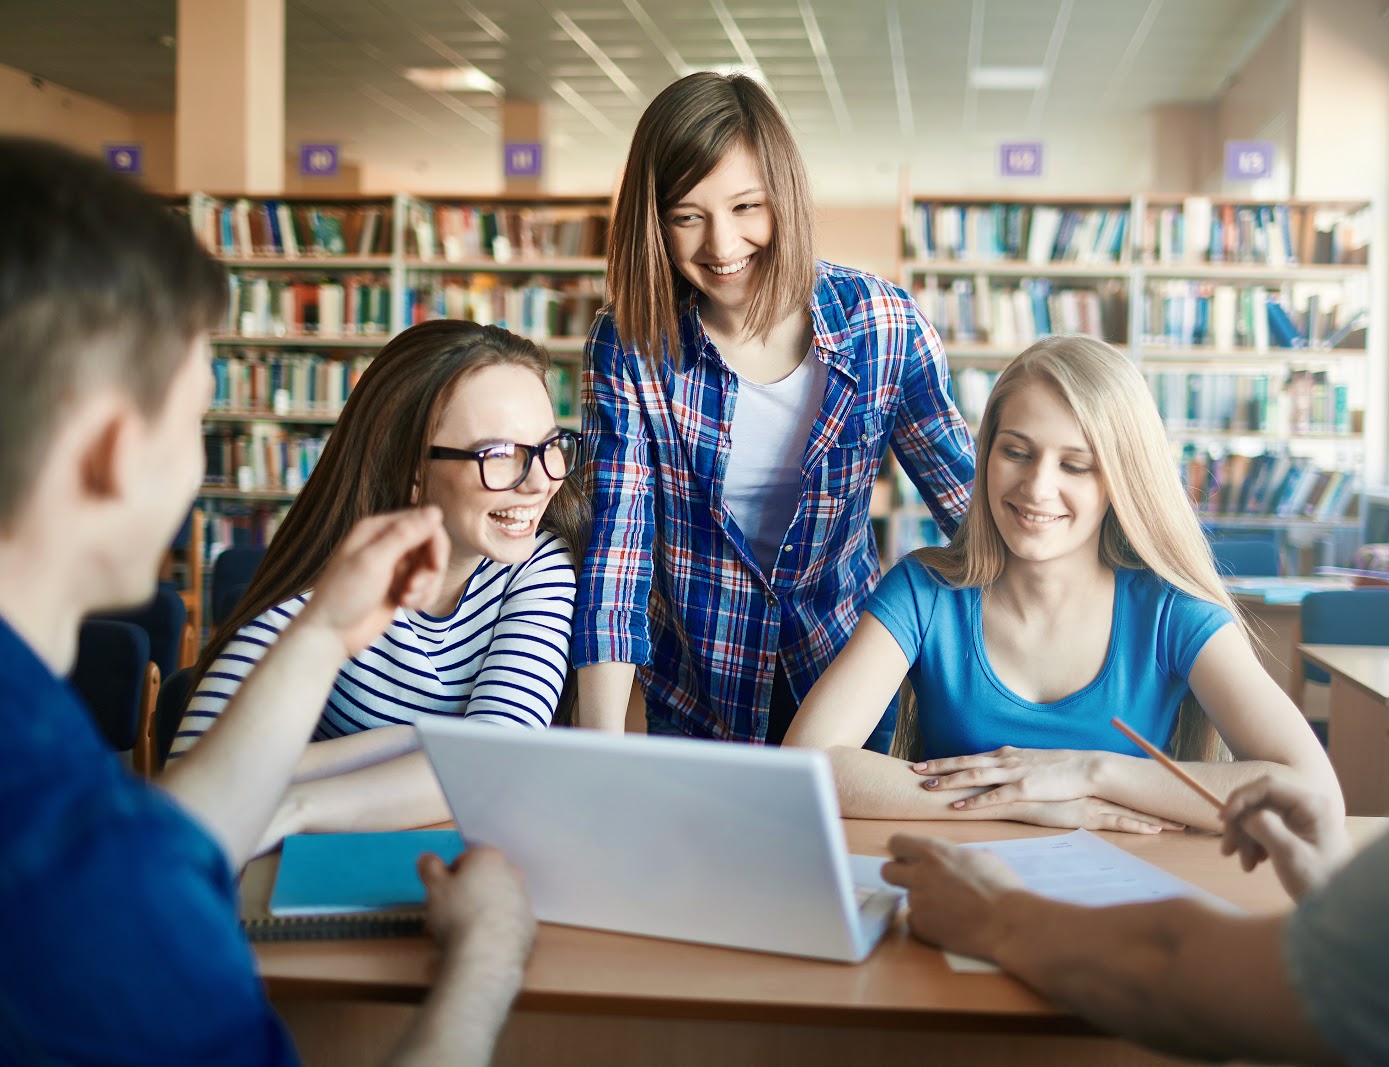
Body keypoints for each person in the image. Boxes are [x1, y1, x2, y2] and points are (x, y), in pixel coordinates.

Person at [881, 292, 1389, 1064]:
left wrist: (1005, 900)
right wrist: (1336, 900)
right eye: (1015, 450)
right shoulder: (928, 589)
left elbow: (1180, 972)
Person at [0, 137, 535, 1064]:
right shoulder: (91, 896)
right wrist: (488, 955)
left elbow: (163, 838)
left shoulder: (39, 741)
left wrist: (324, 633)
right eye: (198, 419)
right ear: (114, 450)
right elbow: (122, 877)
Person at [785, 335, 1338, 833]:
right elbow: (808, 764)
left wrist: (1087, 772)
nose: (1037, 488)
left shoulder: (1171, 611)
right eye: (1017, 452)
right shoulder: (924, 591)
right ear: (987, 453)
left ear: (1122, 479)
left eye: (1075, 466)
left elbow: (1311, 796)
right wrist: (1019, 798)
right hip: (961, 892)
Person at [575, 71, 975, 750]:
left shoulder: (882, 324)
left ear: (784, 197)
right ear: (655, 222)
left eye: (746, 207)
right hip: (696, 695)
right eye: (686, 216)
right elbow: (618, 552)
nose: (722, 246)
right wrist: (598, 752)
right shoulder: (631, 343)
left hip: (843, 683)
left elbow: (971, 508)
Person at [171, 320, 587, 850]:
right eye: (499, 454)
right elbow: (192, 781)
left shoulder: (538, 563)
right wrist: (428, 743)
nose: (541, 480)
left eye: (549, 445)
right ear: (411, 467)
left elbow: (491, 764)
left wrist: (290, 803)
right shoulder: (337, 581)